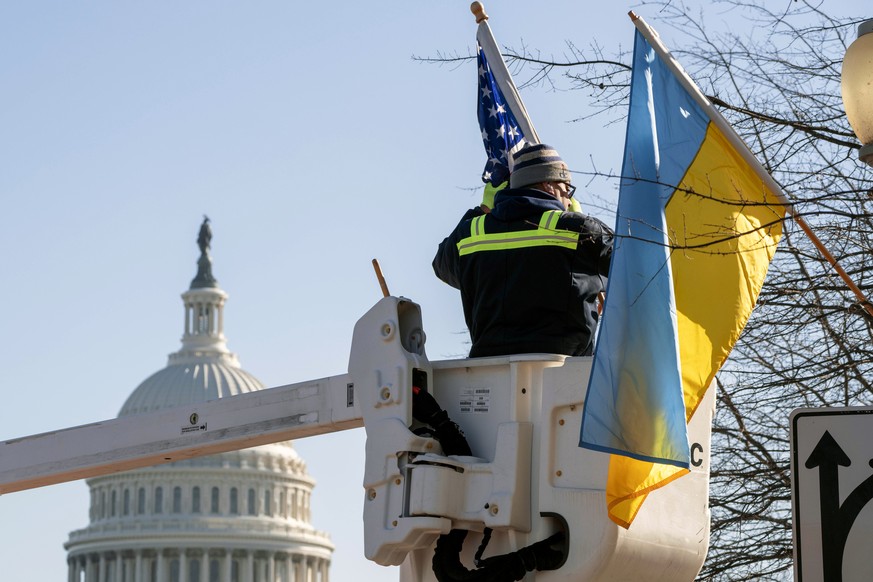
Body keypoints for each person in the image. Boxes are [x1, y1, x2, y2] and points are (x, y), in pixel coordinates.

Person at [433, 143, 613, 358]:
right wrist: (584, 226)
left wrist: (480, 212)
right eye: (567, 189)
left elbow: (442, 266)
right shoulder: (579, 230)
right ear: (548, 185)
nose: (568, 199)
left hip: (489, 370)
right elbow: (635, 267)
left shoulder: (470, 232)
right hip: (564, 372)